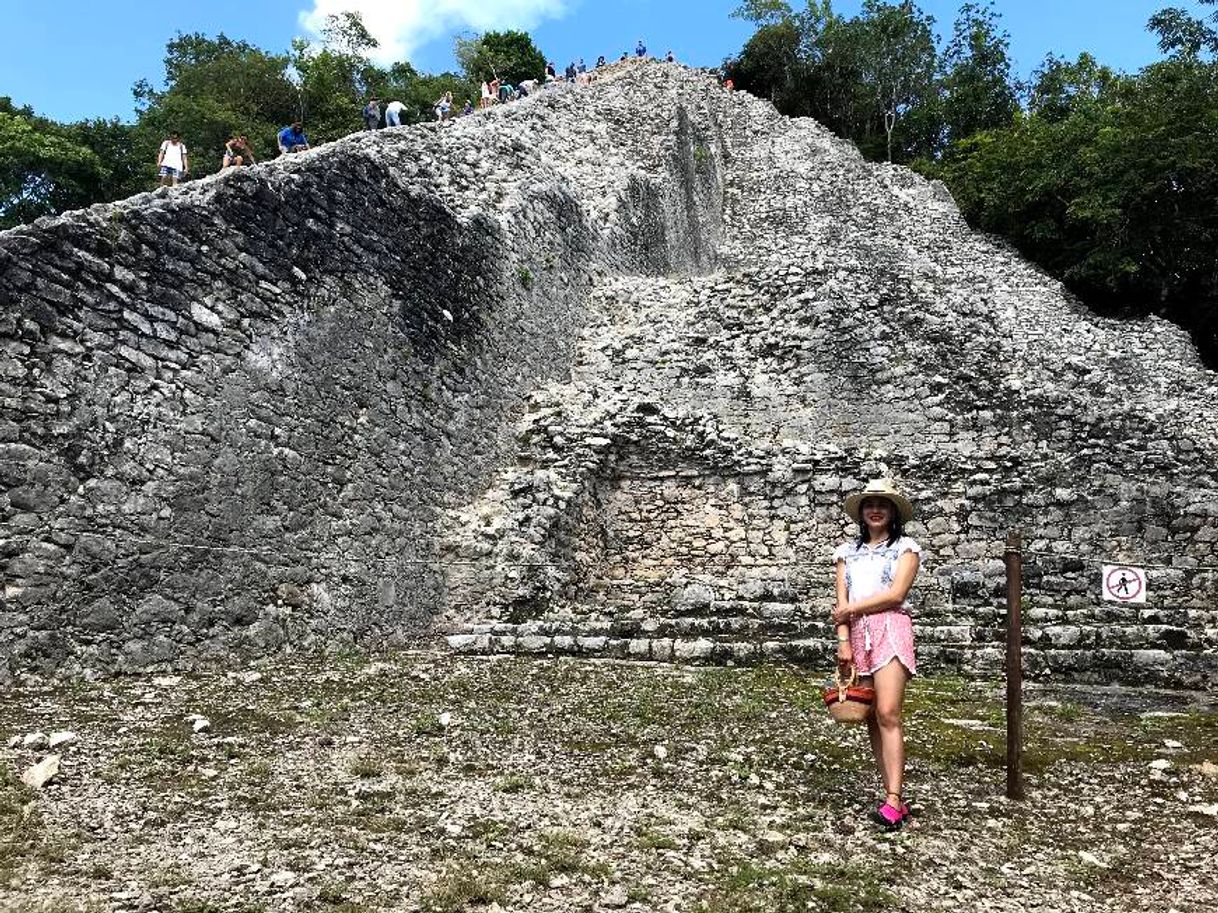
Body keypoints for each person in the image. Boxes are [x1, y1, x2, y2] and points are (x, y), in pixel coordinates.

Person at [831, 479, 921, 830]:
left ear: (893, 511)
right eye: (870, 504)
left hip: (890, 627)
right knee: (869, 715)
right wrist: (844, 641)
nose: (876, 510)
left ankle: (895, 799)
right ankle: (891, 794)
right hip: (857, 632)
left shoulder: (906, 549)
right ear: (862, 512)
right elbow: (841, 604)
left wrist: (850, 610)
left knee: (888, 712)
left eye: (883, 504)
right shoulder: (846, 554)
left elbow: (896, 594)